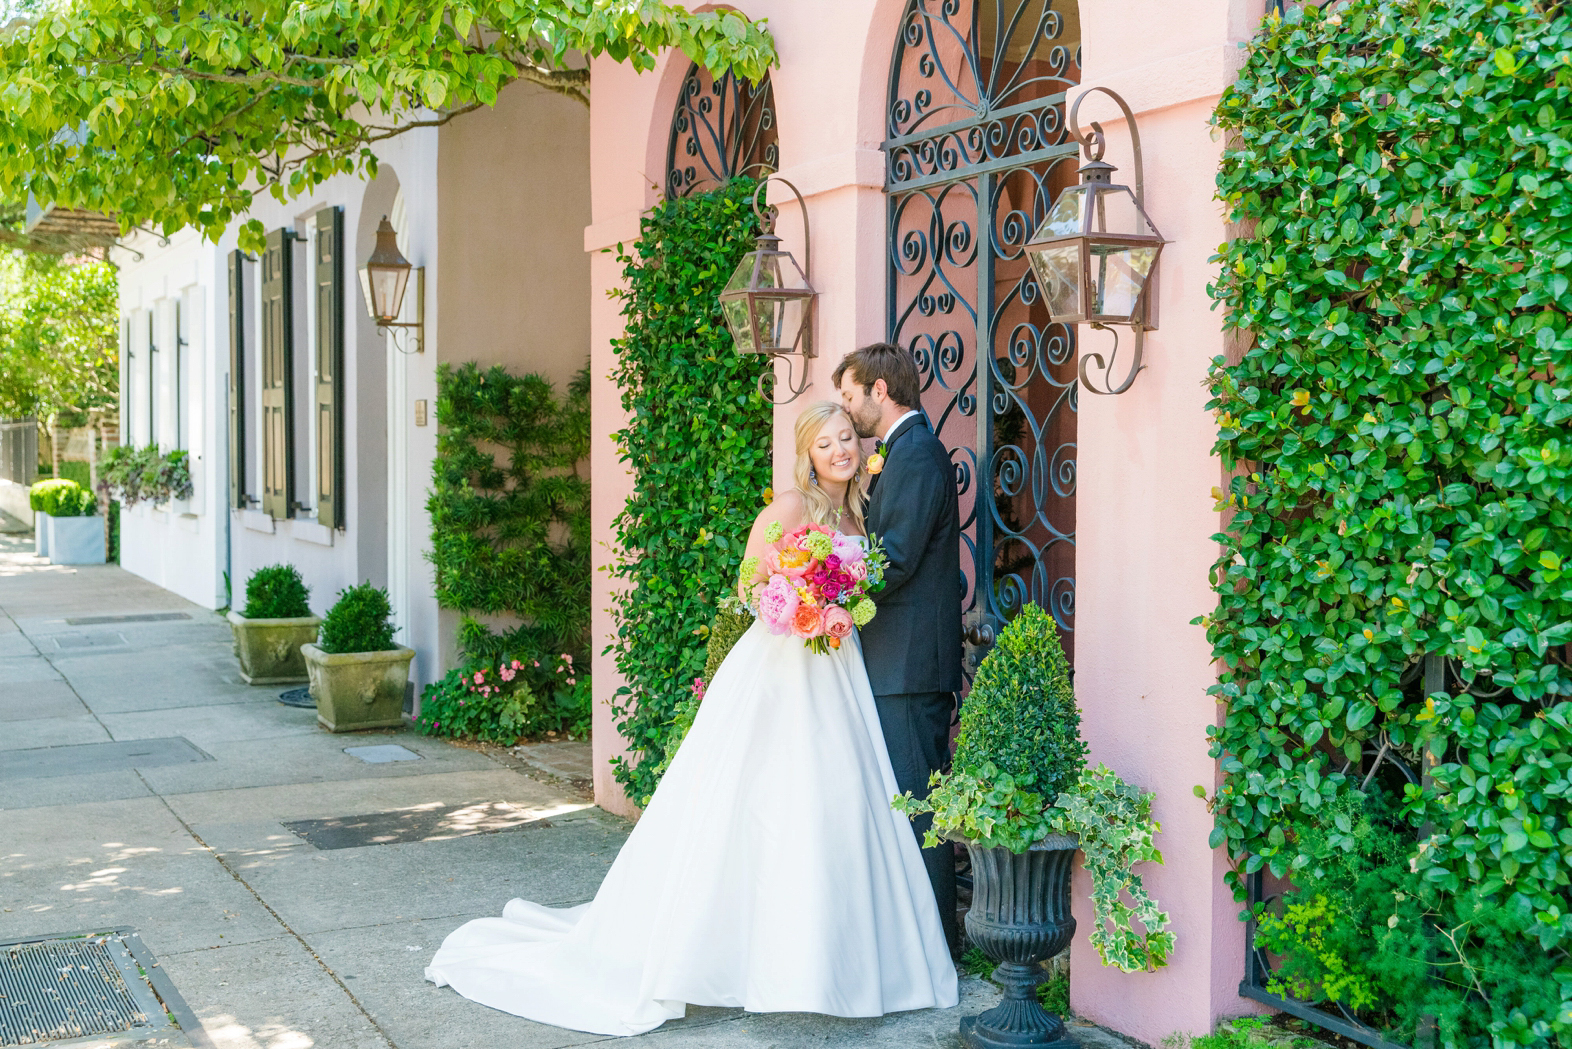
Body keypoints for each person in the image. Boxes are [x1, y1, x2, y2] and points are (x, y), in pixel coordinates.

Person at [425, 400, 958, 1037]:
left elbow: (862, 577)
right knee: (759, 798)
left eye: (847, 438)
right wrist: (801, 606)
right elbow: (750, 582)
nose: (840, 450)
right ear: (808, 454)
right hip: (785, 665)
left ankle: (831, 961)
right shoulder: (791, 506)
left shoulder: (856, 510)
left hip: (837, 667)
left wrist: (833, 605)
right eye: (826, 444)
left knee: (835, 803)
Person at [834, 342, 963, 953]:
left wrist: (832, 590)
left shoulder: (916, 456)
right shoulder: (901, 453)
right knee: (907, 799)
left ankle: (937, 944)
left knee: (917, 803)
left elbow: (898, 559)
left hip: (909, 665)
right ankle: (918, 938)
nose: (847, 408)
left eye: (850, 395)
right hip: (896, 660)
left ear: (879, 392)